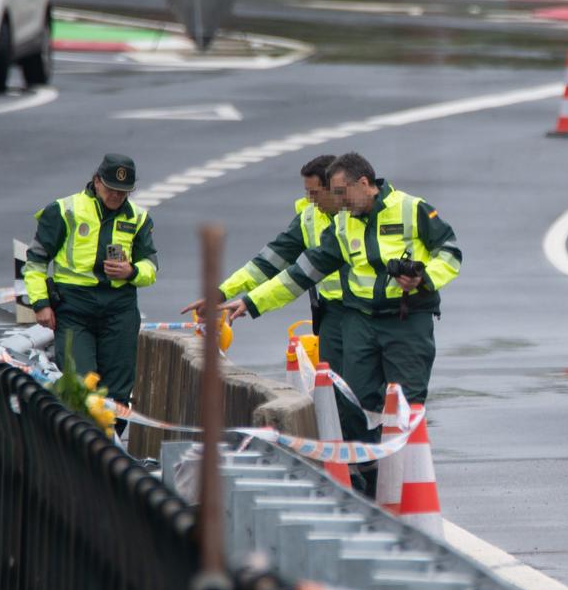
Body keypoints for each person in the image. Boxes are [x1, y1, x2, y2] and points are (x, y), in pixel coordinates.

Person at [223, 152, 461, 487]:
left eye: (341, 193)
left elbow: (450, 252)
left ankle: (411, 484)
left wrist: (424, 278)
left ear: (364, 184)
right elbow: (303, 271)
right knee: (355, 403)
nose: (338, 202)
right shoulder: (343, 222)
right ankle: (371, 479)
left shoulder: (412, 208)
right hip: (359, 322)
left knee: (407, 402)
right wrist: (250, 302)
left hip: (407, 319)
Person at [181, 155, 359, 436]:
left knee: (363, 395)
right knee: (337, 396)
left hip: (367, 313)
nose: (311, 200)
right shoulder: (309, 218)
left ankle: (366, 466)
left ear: (334, 188)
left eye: (315, 193)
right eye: (307, 193)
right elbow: (268, 262)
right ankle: (352, 470)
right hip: (332, 316)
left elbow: (297, 276)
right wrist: (221, 293)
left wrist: (250, 302)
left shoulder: (359, 216)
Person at [24, 153, 158, 412]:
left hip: (119, 309)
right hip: (75, 309)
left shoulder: (138, 218)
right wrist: (40, 303)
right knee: (81, 384)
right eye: (111, 190)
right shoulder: (64, 211)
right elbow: (36, 261)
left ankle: (108, 445)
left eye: (123, 192)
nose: (116, 197)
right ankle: (82, 445)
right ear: (97, 181)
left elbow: (151, 267)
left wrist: (131, 271)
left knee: (118, 391)